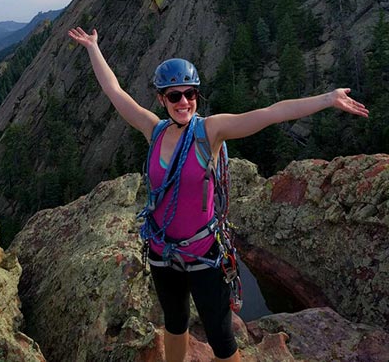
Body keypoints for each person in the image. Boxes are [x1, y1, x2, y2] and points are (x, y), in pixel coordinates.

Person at [67, 26, 369, 362]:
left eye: (190, 93)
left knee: (221, 335)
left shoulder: (210, 131)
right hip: (162, 251)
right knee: (175, 322)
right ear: (161, 98)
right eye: (174, 95)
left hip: (203, 253)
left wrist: (327, 99)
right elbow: (114, 91)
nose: (184, 102)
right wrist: (94, 47)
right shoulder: (152, 129)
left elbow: (271, 113)